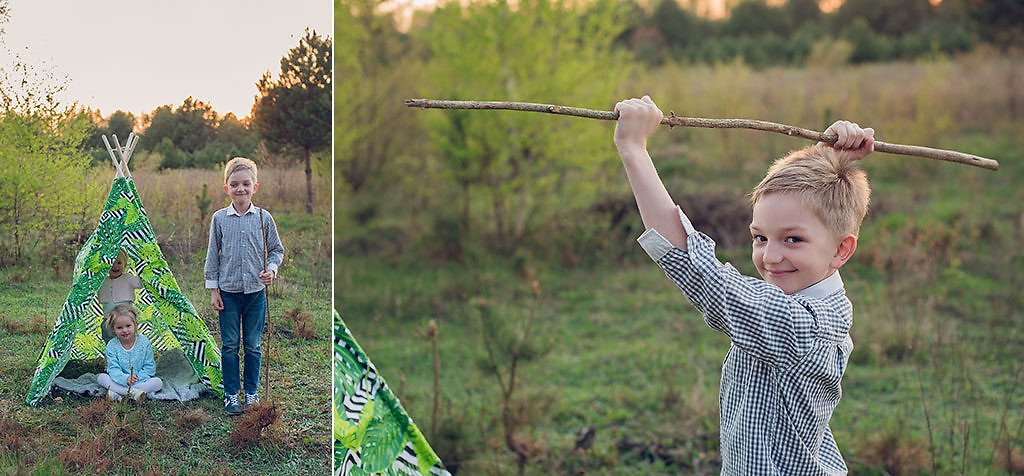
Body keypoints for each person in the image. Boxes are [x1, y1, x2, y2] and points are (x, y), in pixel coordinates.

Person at [614, 95, 873, 474]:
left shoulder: (798, 326)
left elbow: (697, 269)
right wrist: (825, 159)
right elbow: (819, 227)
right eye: (760, 237)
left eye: (792, 240)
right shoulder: (827, 300)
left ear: (841, 250)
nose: (769, 257)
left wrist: (633, 149)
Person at [204, 157, 284, 415]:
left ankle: (251, 393)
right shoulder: (219, 218)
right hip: (228, 292)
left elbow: (276, 250)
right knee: (229, 344)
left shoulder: (263, 217)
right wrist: (214, 290)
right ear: (226, 187)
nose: (241, 189)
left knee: (252, 344)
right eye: (235, 184)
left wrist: (271, 270)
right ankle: (231, 394)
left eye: (246, 184)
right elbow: (213, 256)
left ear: (255, 187)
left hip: (255, 293)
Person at [97, 304, 162, 402]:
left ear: (135, 324)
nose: (125, 330)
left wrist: (136, 379)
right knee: (101, 378)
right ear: (113, 328)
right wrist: (125, 378)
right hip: (119, 380)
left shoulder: (144, 342)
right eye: (119, 327)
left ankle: (118, 394)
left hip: (139, 381)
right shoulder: (112, 345)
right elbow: (113, 368)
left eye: (128, 326)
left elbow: (149, 367)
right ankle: (134, 393)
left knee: (158, 382)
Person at [97, 249, 144, 342]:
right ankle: (111, 355)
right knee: (109, 340)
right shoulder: (102, 281)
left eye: (119, 263)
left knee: (129, 340)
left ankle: (129, 354)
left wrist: (140, 264)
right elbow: (90, 285)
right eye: (111, 263)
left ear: (125, 265)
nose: (115, 266)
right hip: (108, 320)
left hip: (126, 320)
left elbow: (140, 283)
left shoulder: (128, 278)